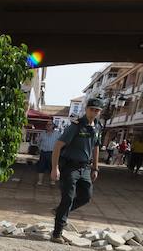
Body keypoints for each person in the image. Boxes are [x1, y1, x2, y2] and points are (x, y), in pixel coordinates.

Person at [51, 97, 104, 243]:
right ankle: (57, 233)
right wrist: (54, 168)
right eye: (91, 109)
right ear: (86, 109)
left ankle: (60, 211)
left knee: (86, 196)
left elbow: (96, 147)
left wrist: (95, 167)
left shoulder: (98, 126)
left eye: (97, 110)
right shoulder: (76, 126)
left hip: (86, 168)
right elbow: (57, 146)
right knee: (67, 198)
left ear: (100, 112)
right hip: (70, 167)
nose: (94, 112)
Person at [35, 120, 59, 187]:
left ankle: (52, 182)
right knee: (41, 167)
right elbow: (38, 142)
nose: (48, 126)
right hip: (43, 153)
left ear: (53, 126)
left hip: (53, 153)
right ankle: (40, 181)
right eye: (47, 125)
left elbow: (60, 143)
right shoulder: (42, 133)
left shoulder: (57, 133)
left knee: (52, 168)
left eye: (50, 124)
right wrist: (39, 149)